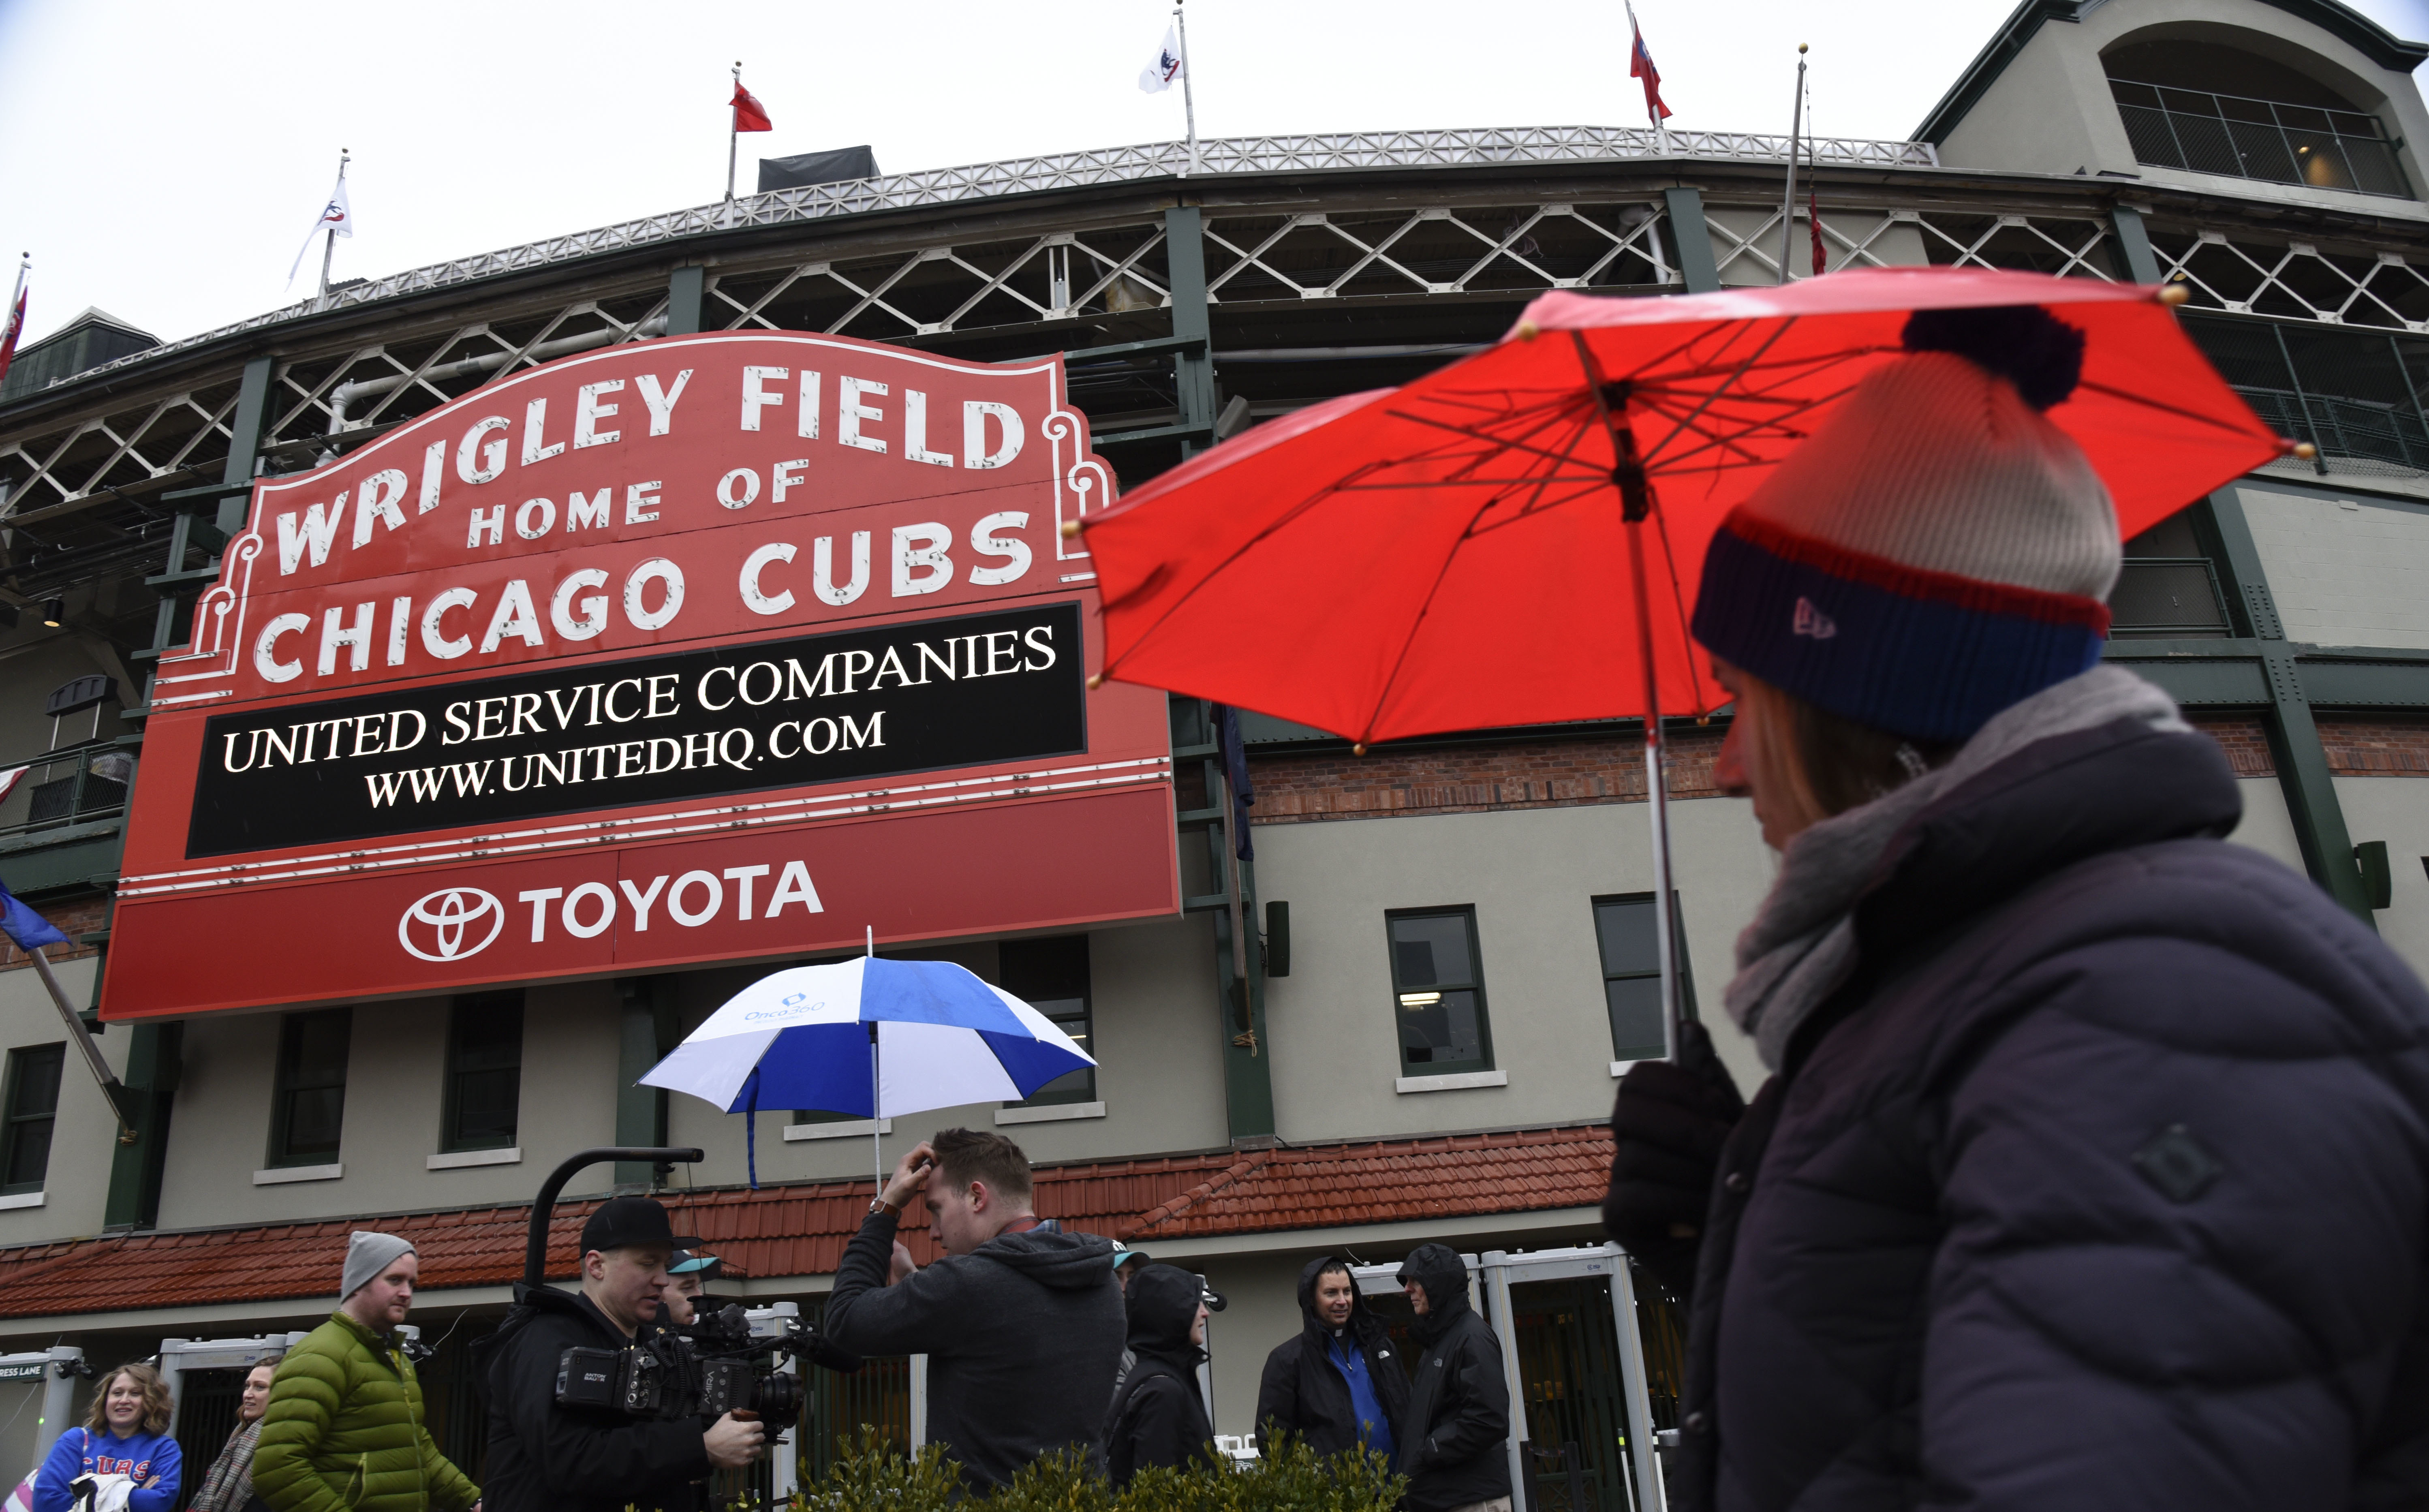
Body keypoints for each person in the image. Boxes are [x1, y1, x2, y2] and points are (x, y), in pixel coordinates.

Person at [1602, 304, 2429, 1510]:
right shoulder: (1993, 984)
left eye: (1745, 697)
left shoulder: (2154, 1004)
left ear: (1858, 697)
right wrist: (1745, 1217)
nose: (1726, 763)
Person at [823, 1127, 1124, 1491]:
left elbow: (843, 1320)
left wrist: (885, 1209)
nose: (934, 1233)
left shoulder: (967, 1286)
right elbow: (1002, 1337)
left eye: (936, 1210)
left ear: (976, 1196)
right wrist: (916, 1281)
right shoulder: (1102, 1279)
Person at [480, 1197, 764, 1512]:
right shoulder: (547, 1339)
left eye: (665, 1264)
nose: (661, 1278)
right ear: (597, 1265)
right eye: (648, 1262)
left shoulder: (656, 1344)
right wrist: (701, 1447)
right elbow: (570, 1460)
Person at [252, 1233, 474, 1512]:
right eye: (395, 1280)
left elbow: (418, 1452)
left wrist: (472, 1500)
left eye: (411, 1282)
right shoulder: (321, 1356)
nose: (407, 1292)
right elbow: (277, 1468)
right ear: (359, 1283)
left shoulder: (395, 1358)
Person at [1254, 1255, 1403, 1463]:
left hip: (1395, 1487)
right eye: (1331, 1293)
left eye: (1347, 1292)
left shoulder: (1380, 1348)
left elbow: (1407, 1412)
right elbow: (1273, 1442)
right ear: (1312, 1300)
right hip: (1334, 1492)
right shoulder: (1287, 1361)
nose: (1342, 1301)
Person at [1395, 1245, 1510, 1512]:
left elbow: (1488, 1418)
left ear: (1438, 1285)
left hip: (1472, 1500)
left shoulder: (1472, 1337)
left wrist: (1431, 1448)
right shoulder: (1441, 1340)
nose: (1407, 1289)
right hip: (1449, 1498)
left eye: (1415, 1280)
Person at [1101, 1264, 1214, 1485]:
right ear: (1170, 1311)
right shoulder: (1162, 1391)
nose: (1205, 1312)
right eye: (1194, 1303)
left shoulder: (1157, 1377)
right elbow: (1155, 1494)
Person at [33, 1363, 180, 1512]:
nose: (124, 1400)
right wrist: (133, 1495)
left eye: (135, 1393)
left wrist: (83, 1498)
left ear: (151, 1401)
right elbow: (46, 1502)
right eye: (117, 1393)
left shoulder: (164, 1448)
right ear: (105, 1400)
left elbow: (159, 1502)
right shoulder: (75, 1440)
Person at [191, 1356, 280, 1512]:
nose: (248, 1394)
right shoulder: (241, 1435)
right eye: (247, 1386)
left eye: (260, 1387)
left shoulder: (281, 1441)